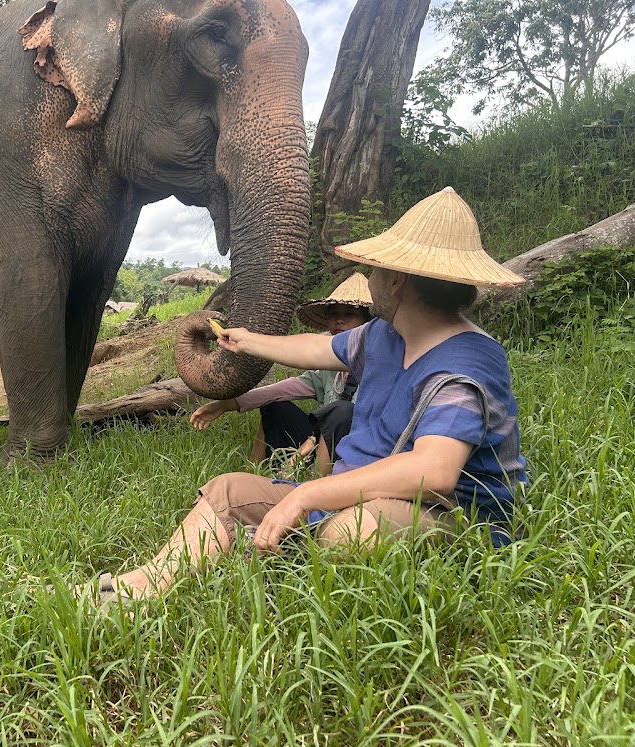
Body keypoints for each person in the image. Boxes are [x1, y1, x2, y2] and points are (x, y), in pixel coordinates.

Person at [82, 187, 530, 609]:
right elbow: (315, 349)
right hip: (359, 493)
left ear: (395, 281)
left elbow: (435, 471)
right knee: (228, 490)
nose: (368, 279)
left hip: (451, 516)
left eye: (374, 269)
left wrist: (306, 495)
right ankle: (135, 591)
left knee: (350, 534)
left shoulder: (467, 363)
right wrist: (248, 340)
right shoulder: (383, 334)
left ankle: (267, 555)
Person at [189, 273, 372, 475]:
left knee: (340, 411)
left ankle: (317, 490)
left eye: (349, 314)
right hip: (320, 442)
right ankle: (252, 474)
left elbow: (358, 423)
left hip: (358, 453)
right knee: (275, 407)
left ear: (368, 321)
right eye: (333, 313)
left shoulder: (379, 362)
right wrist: (227, 404)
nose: (339, 320)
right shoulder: (326, 371)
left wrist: (308, 445)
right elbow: (279, 391)